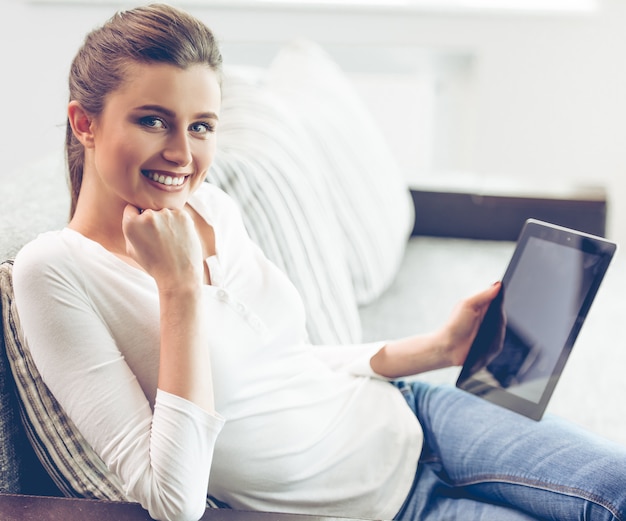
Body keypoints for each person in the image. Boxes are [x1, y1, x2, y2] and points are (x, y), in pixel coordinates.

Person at [12, 4, 626, 521]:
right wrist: (179, 291)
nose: (181, 153)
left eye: (201, 126)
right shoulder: (54, 272)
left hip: (413, 411)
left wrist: (437, 348)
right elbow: (172, 499)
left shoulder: (213, 207)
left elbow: (287, 363)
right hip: (380, 509)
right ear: (84, 123)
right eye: (153, 120)